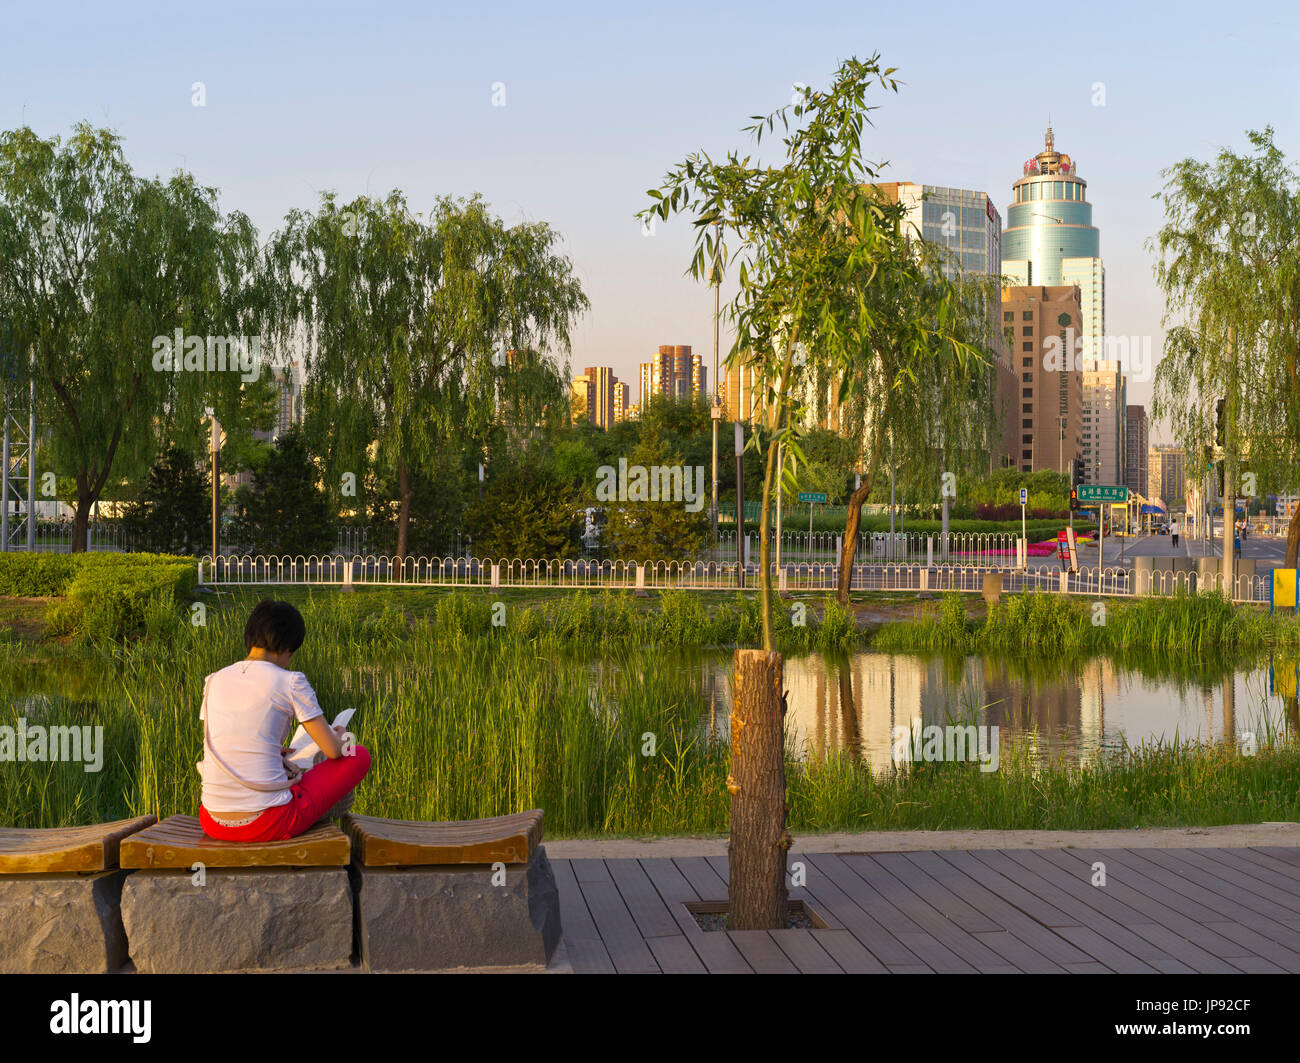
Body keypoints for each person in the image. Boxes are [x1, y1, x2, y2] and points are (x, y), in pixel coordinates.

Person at [197, 600, 371, 842]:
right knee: (358, 755)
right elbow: (331, 751)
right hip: (268, 823)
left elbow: (228, 737)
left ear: (250, 637)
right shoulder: (290, 681)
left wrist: (270, 750)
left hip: (212, 821)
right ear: (288, 647)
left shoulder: (214, 680)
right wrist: (340, 738)